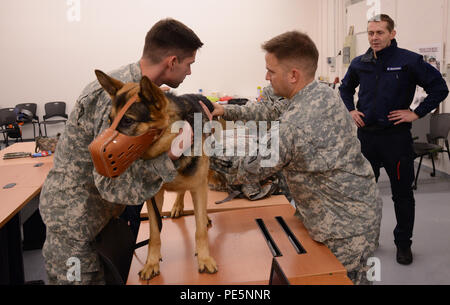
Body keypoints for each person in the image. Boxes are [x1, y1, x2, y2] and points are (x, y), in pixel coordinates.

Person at [208, 31, 382, 285]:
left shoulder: (297, 123)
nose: (266, 77)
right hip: (351, 210)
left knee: (345, 281)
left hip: (344, 228)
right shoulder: (317, 93)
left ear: (293, 75)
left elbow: (246, 170)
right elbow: (269, 109)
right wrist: (225, 111)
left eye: (271, 71)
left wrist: (198, 149)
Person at [39, 18, 203, 284]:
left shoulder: (137, 91)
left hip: (97, 219)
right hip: (74, 227)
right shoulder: (117, 99)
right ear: (172, 62)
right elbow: (112, 185)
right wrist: (169, 158)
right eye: (189, 64)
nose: (190, 73)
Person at [339, 14, 449, 265]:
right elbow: (345, 88)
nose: (374, 38)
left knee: (402, 195)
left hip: (396, 140)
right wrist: (350, 110)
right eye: (370, 33)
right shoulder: (359, 63)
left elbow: (440, 88)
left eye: (379, 32)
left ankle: (403, 245)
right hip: (366, 139)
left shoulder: (409, 61)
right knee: (363, 192)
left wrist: (416, 113)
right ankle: (365, 238)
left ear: (392, 34)